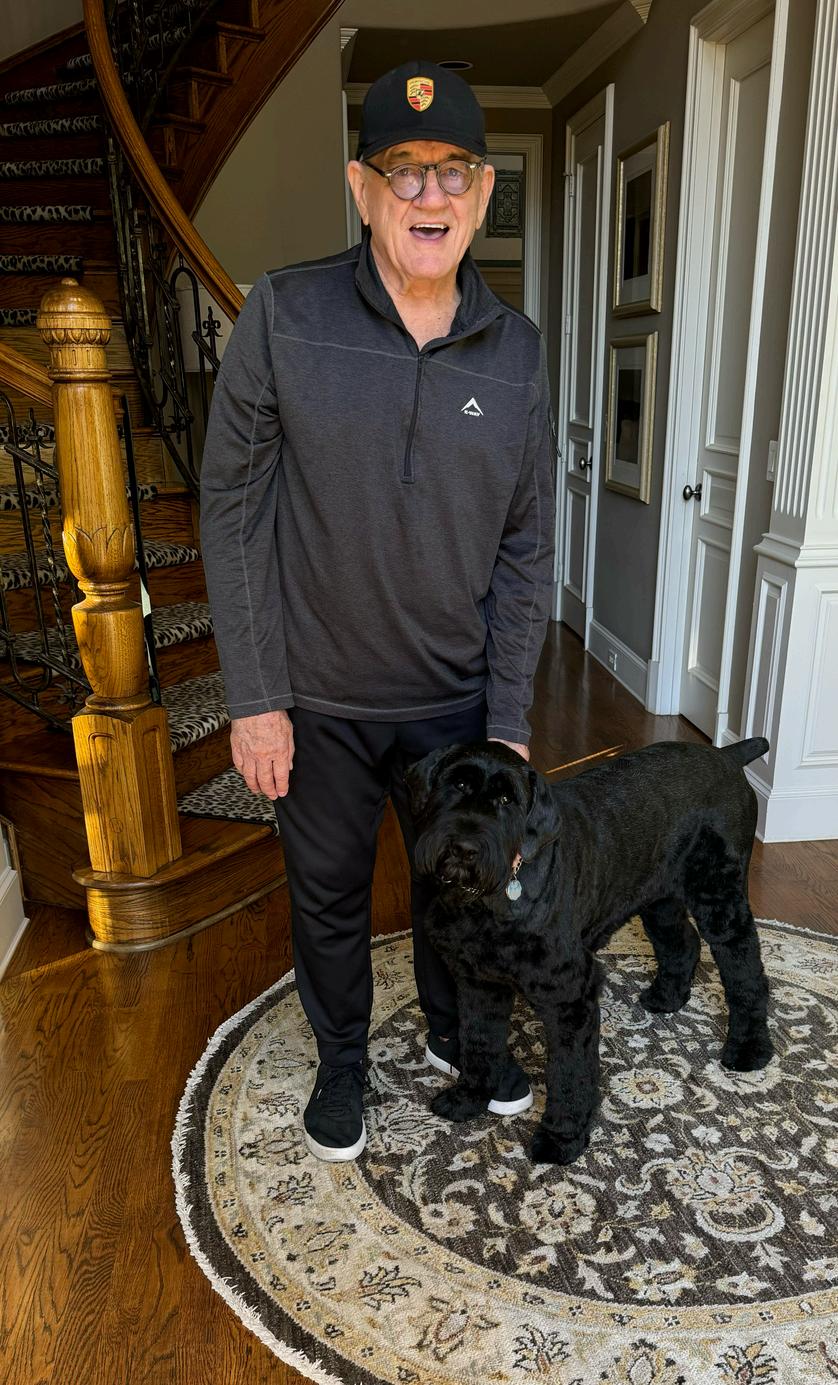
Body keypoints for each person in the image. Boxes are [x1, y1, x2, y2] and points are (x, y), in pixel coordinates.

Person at [200, 59, 556, 1163]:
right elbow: (232, 505)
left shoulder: (518, 352)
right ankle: (344, 1060)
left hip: (454, 700)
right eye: (404, 171)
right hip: (318, 697)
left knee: (464, 889)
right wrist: (255, 696)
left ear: (483, 192)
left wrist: (508, 715)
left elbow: (527, 547)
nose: (428, 196)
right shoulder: (285, 313)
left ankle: (458, 1035)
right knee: (329, 896)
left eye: (452, 172)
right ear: (362, 188)